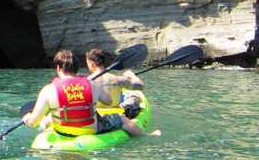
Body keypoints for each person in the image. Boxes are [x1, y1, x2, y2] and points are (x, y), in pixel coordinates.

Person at [22, 50, 160, 137]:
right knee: (121, 118)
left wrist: (27, 118)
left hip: (62, 130)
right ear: (77, 68)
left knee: (50, 115)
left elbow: (33, 123)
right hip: (90, 130)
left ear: (58, 68)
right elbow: (108, 101)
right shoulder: (93, 85)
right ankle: (147, 136)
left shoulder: (48, 90)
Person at [85, 48, 145, 117]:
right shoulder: (119, 80)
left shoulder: (86, 81)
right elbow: (141, 85)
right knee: (135, 96)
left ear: (91, 64)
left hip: (96, 115)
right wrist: (131, 75)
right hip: (116, 115)